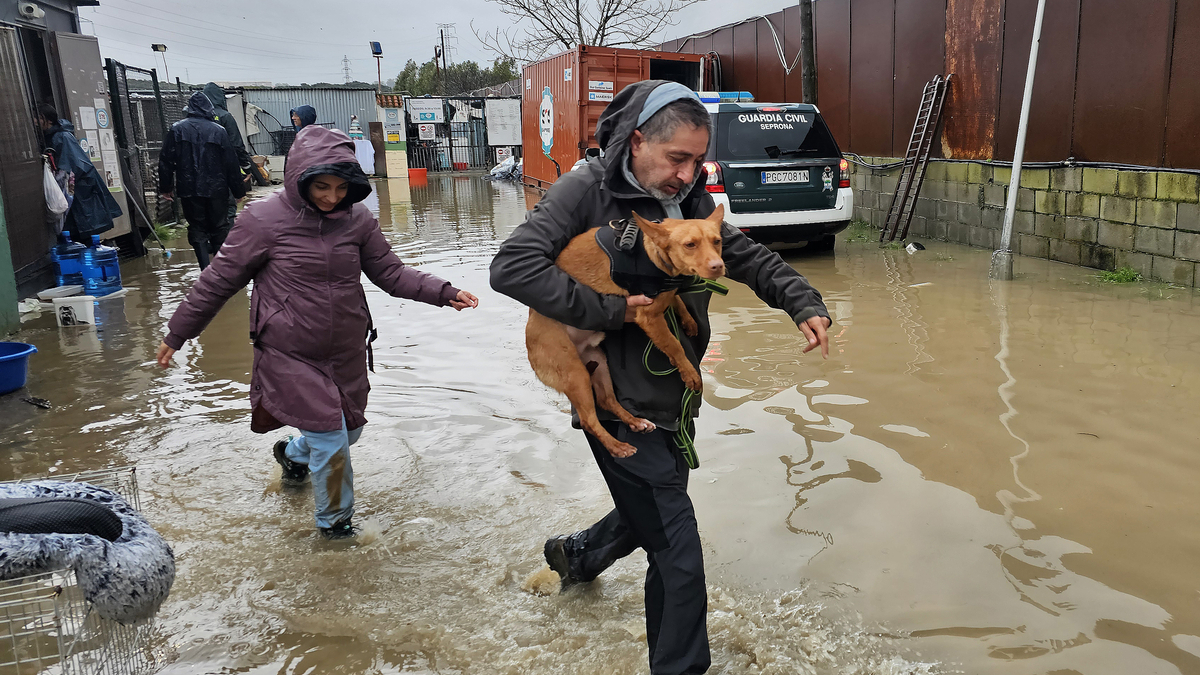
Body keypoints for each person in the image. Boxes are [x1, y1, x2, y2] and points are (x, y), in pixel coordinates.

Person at [489, 80, 831, 674]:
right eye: (678, 159)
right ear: (638, 139)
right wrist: (614, 312)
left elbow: (742, 254)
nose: (688, 173)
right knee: (678, 552)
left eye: (698, 159)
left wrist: (802, 300)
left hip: (672, 392)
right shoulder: (584, 189)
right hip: (616, 391)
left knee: (650, 506)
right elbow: (511, 266)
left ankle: (576, 557)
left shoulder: (688, 196)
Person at [155, 126, 479, 539]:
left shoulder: (357, 220)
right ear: (298, 178)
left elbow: (391, 273)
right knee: (330, 439)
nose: (331, 197)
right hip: (290, 353)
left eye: (342, 187)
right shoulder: (262, 221)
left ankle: (292, 456)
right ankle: (335, 530)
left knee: (350, 430)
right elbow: (217, 281)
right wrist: (178, 332)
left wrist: (443, 291)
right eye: (321, 186)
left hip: (345, 351)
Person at [159, 91, 249, 270]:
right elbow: (231, 163)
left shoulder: (177, 129)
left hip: (189, 189)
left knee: (197, 228)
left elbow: (166, 161)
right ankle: (221, 271)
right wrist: (239, 191)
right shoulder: (219, 131)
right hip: (217, 189)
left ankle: (205, 270)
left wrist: (166, 187)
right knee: (220, 227)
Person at [37, 104, 123, 237]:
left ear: (48, 120)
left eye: (38, 118)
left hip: (77, 190)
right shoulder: (56, 136)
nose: (35, 122)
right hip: (76, 189)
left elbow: (73, 166)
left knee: (79, 234)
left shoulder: (62, 137)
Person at [202, 82, 254, 226]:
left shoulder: (190, 119)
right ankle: (226, 244)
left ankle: (207, 246)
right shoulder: (225, 116)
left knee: (203, 214)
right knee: (227, 209)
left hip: (197, 174)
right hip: (222, 172)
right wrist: (246, 167)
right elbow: (236, 145)